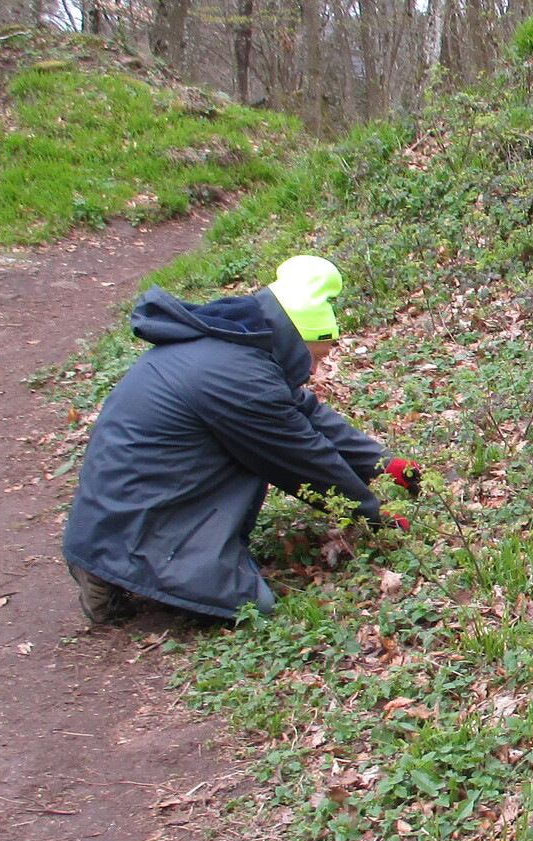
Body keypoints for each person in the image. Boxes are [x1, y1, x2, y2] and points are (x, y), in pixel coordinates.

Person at [61, 254, 419, 625]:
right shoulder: (237, 376)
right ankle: (109, 567)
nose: (314, 370)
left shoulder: (230, 345)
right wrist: (373, 516)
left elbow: (304, 411)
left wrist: (381, 462)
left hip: (125, 498)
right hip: (137, 506)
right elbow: (300, 458)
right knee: (249, 604)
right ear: (296, 338)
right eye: (315, 357)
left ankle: (111, 557)